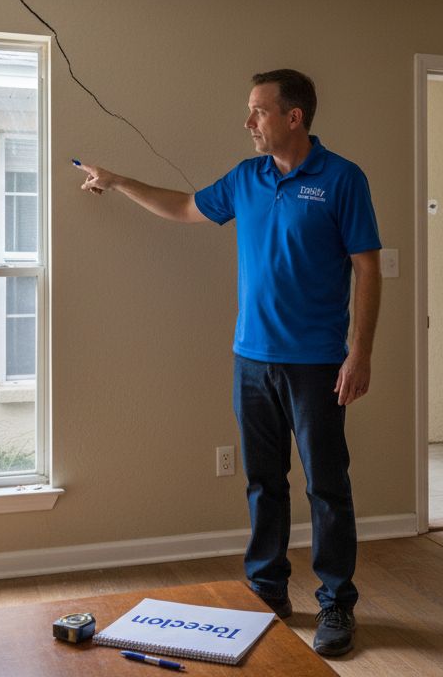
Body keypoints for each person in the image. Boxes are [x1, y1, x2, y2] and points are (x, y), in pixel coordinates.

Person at [77, 69, 381, 657]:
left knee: (327, 485)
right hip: (251, 360)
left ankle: (337, 602)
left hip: (318, 363)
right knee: (264, 483)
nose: (248, 123)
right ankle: (267, 592)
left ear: (294, 117)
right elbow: (186, 206)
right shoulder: (247, 178)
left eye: (259, 112)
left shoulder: (342, 179)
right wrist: (117, 182)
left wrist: (360, 352)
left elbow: (367, 266)